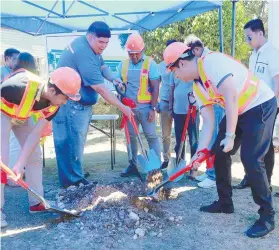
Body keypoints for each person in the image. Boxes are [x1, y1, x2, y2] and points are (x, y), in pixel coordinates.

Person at [163, 42, 276, 238]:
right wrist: (198, 154)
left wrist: (230, 136)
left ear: (181, 64)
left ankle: (267, 217)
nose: (175, 76)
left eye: (173, 71)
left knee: (251, 158)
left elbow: (231, 95)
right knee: (218, 152)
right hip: (239, 111)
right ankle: (225, 203)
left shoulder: (211, 62)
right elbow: (207, 122)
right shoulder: (197, 87)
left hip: (260, 105)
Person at [52, 21, 133, 188]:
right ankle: (72, 183)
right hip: (70, 106)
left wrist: (114, 78)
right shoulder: (84, 53)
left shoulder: (90, 47)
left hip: (79, 105)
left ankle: (75, 175)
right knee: (71, 143)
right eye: (100, 42)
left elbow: (102, 66)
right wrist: (123, 107)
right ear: (90, 37)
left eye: (106, 43)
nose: (103, 46)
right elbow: (101, 90)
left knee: (76, 143)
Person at [1, 63, 81, 228]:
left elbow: (35, 134)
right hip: (3, 113)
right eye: (66, 97)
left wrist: (20, 164)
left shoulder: (54, 104)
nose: (66, 102)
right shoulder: (16, 86)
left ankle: (36, 202)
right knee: (2, 161)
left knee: (34, 156)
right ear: (52, 91)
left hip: (22, 116)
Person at [234, 19, 279, 193]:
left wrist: (271, 105)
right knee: (250, 140)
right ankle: (250, 176)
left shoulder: (272, 53)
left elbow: (277, 81)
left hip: (267, 106)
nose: (247, 41)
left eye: (249, 37)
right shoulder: (254, 54)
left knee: (265, 143)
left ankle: (265, 179)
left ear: (260, 33)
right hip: (253, 105)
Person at [116, 33, 161, 177]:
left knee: (151, 136)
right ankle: (132, 164)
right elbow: (118, 84)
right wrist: (119, 90)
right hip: (129, 109)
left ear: (142, 50)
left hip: (146, 108)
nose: (134, 56)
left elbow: (155, 88)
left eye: (136, 53)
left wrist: (153, 108)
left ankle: (156, 167)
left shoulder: (150, 64)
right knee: (131, 136)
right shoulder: (123, 65)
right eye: (131, 54)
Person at [185, 35, 225, 188]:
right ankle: (210, 172)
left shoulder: (208, 60)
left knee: (214, 138)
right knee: (208, 136)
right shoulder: (203, 61)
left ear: (196, 49)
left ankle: (213, 176)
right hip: (211, 103)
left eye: (190, 56)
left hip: (218, 103)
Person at [169, 73, 200, 178]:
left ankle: (193, 169)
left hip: (193, 111)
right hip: (178, 110)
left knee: (194, 141)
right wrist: (170, 107)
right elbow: (172, 90)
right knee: (179, 141)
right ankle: (179, 167)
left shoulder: (194, 68)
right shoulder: (174, 72)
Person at [1, 48, 21, 187]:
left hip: (17, 115)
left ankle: (12, 176)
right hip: (3, 113)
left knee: (15, 146)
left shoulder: (18, 72)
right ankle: (6, 177)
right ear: (6, 58)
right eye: (13, 59)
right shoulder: (2, 72)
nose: (16, 61)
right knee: (4, 147)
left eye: (18, 59)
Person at [157, 39, 177, 170]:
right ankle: (166, 159)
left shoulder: (182, 64)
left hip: (180, 104)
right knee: (165, 135)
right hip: (164, 103)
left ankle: (180, 159)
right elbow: (155, 84)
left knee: (181, 135)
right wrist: (157, 102)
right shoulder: (160, 66)